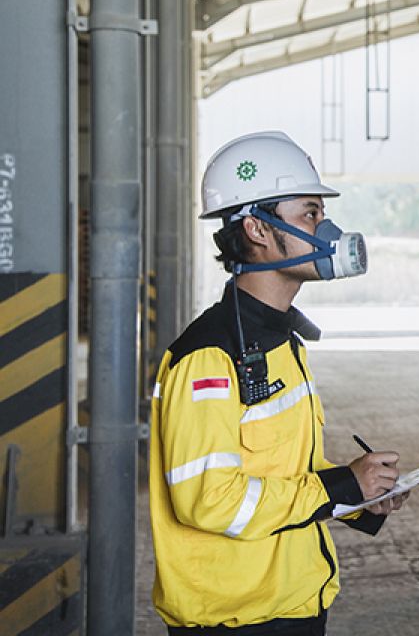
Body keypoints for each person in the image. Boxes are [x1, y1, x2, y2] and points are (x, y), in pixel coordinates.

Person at [149, 131, 405, 634]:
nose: (327, 228)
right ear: (257, 229)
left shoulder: (283, 341)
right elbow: (210, 499)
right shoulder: (208, 357)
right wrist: (340, 485)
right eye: (309, 214)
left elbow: (287, 475)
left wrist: (359, 496)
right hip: (236, 619)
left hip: (292, 607)